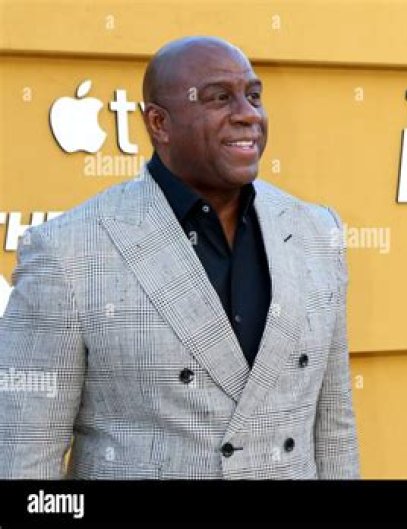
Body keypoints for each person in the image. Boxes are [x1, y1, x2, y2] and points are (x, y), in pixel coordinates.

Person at [0, 36, 360, 479]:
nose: (248, 114)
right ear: (159, 123)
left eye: (253, 96)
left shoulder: (316, 232)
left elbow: (335, 430)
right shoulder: (67, 251)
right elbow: (23, 454)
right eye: (219, 98)